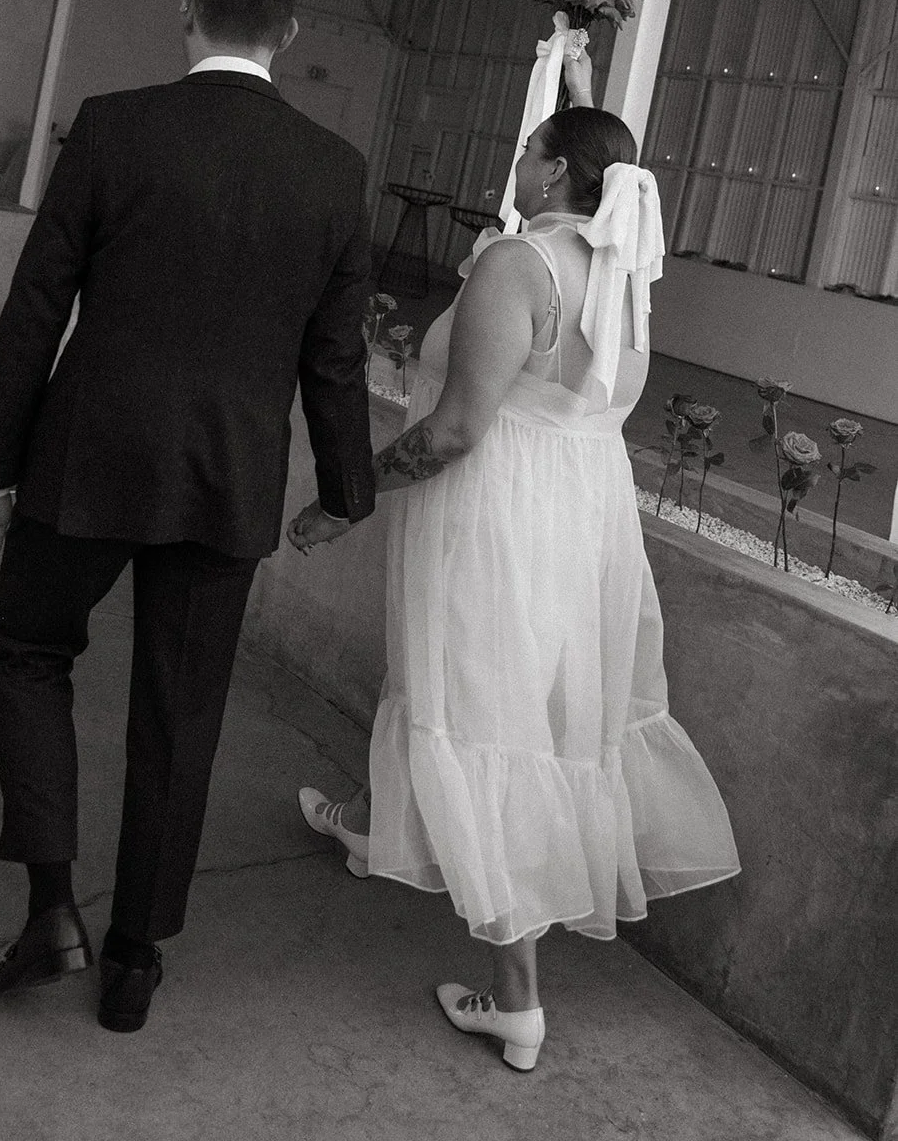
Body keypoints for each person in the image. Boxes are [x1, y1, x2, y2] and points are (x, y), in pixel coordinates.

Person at [0, 0, 375, 1033]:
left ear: (183, 11)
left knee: (27, 647)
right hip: (227, 478)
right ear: (288, 32)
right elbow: (334, 358)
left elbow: (36, 303)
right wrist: (343, 488)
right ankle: (135, 961)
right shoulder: (333, 169)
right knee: (180, 712)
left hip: (85, 461)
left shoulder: (113, 127)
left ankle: (51, 904)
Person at [291, 107, 739, 1072]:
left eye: (527, 149)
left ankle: (517, 1000)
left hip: (493, 517)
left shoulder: (516, 264)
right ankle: (371, 824)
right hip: (579, 521)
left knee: (480, 718)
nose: (516, 161)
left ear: (554, 173)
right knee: (492, 704)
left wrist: (344, 499)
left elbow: (455, 430)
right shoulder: (619, 280)